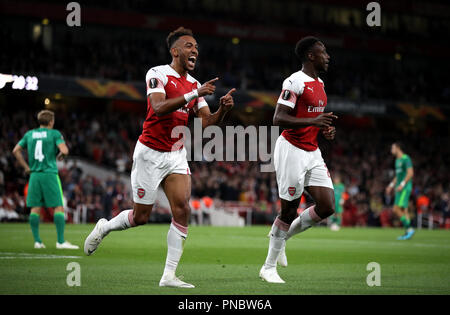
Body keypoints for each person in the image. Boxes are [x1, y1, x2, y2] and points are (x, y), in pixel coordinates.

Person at [84, 27, 235, 288]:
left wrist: (222, 110)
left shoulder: (195, 84)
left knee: (183, 209)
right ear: (175, 51)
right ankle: (105, 228)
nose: (195, 50)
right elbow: (158, 107)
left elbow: (207, 123)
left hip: (176, 154)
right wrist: (193, 95)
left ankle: (168, 275)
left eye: (196, 47)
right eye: (189, 46)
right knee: (141, 217)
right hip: (149, 153)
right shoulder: (157, 73)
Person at [260, 36, 337, 283]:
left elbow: (312, 117)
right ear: (310, 56)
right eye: (323, 51)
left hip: (312, 150)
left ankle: (282, 238)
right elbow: (278, 118)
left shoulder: (320, 83)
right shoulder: (294, 82)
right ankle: (268, 268)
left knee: (327, 206)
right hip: (291, 149)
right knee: (289, 210)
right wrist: (313, 121)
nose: (327, 56)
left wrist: (324, 129)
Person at [12, 110, 79, 249]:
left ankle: (37, 241)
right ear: (51, 121)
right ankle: (60, 242)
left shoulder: (29, 134)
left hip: (34, 175)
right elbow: (65, 150)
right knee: (58, 207)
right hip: (49, 174)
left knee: (35, 209)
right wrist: (61, 156)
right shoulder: (54, 133)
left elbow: (15, 150)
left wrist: (26, 167)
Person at [385, 142, 415, 240]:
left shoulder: (406, 159)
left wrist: (402, 184)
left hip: (404, 188)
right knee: (404, 210)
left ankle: (409, 229)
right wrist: (391, 185)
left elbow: (410, 173)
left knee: (396, 209)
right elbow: (397, 176)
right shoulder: (397, 160)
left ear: (398, 148)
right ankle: (407, 233)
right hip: (399, 188)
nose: (391, 150)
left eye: (392, 148)